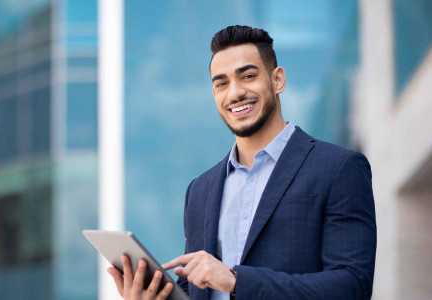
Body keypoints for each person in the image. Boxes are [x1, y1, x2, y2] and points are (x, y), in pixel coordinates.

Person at [108, 25, 377, 300]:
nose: (234, 93)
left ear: (278, 80)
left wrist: (237, 281)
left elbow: (352, 286)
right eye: (221, 83)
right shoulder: (200, 190)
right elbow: (200, 290)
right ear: (215, 94)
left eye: (247, 76)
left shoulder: (339, 168)